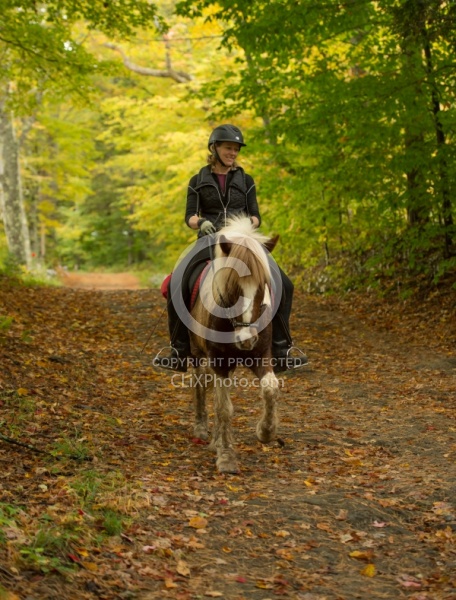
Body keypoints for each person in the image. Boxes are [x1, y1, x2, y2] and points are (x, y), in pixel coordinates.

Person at [153, 124, 307, 373]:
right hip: (210, 240)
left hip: (242, 240)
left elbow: (256, 217)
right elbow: (189, 216)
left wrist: (246, 226)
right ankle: (178, 350)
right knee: (176, 283)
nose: (232, 152)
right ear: (214, 148)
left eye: (236, 149)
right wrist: (201, 223)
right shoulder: (197, 180)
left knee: (285, 284)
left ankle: (282, 349)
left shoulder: (246, 180)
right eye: (228, 148)